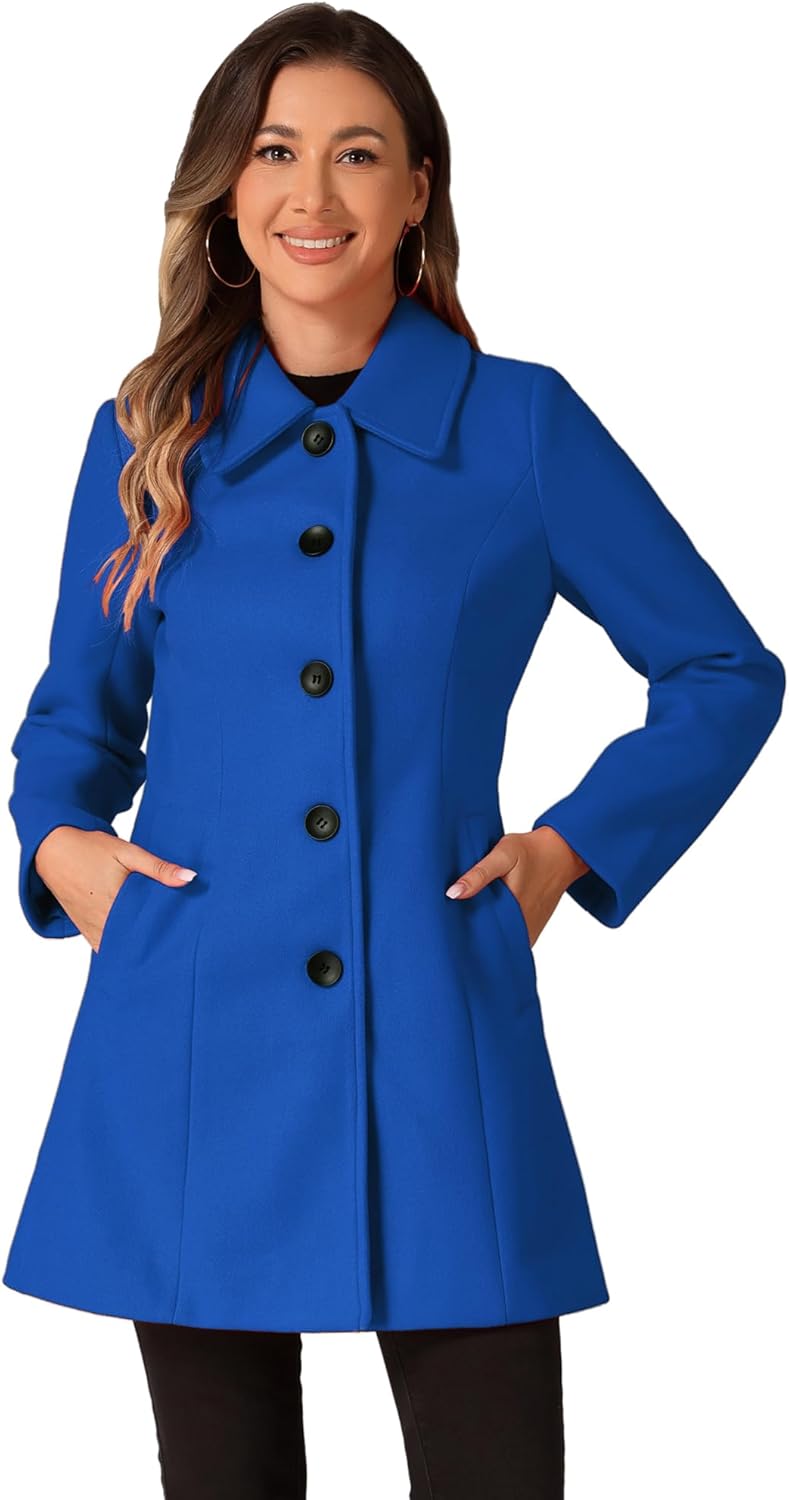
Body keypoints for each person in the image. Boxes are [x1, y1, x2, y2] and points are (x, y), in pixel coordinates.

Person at [3, 7, 784, 1498]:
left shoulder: (520, 426)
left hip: (435, 1026)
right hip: (192, 1035)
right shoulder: (145, 434)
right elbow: (75, 719)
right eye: (274, 152)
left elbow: (723, 669)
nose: (313, 194)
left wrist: (567, 851)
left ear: (419, 188)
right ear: (227, 191)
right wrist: (65, 849)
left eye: (357, 154)